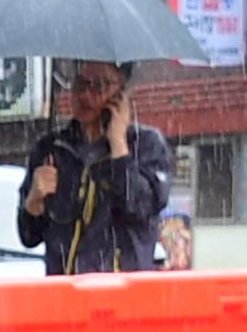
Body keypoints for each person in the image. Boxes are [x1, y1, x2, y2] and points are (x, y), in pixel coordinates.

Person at [16, 60, 171, 274]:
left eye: (99, 86)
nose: (85, 95)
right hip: (65, 294)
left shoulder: (146, 145)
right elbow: (28, 236)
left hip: (121, 293)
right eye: (80, 84)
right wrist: (34, 201)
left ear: (122, 94)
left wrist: (118, 146)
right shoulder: (51, 149)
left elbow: (139, 206)